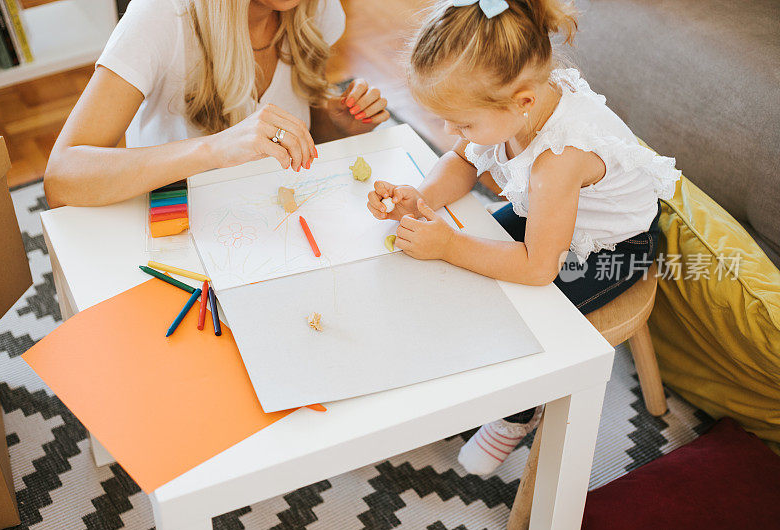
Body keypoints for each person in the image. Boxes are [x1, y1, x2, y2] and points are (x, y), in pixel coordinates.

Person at [367, 0, 680, 475]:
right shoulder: (509, 106)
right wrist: (421, 197)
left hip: (612, 248)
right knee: (464, 272)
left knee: (524, 323)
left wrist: (450, 245)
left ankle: (516, 414)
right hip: (550, 221)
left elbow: (537, 268)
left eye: (464, 123)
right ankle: (460, 371)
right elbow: (462, 161)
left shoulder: (560, 158)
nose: (453, 132)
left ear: (524, 102)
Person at [45, 0, 389, 207]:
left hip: (273, 212)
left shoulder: (313, 9)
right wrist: (213, 149)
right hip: (178, 223)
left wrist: (339, 126)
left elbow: (301, 126)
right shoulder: (161, 15)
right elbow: (62, 179)